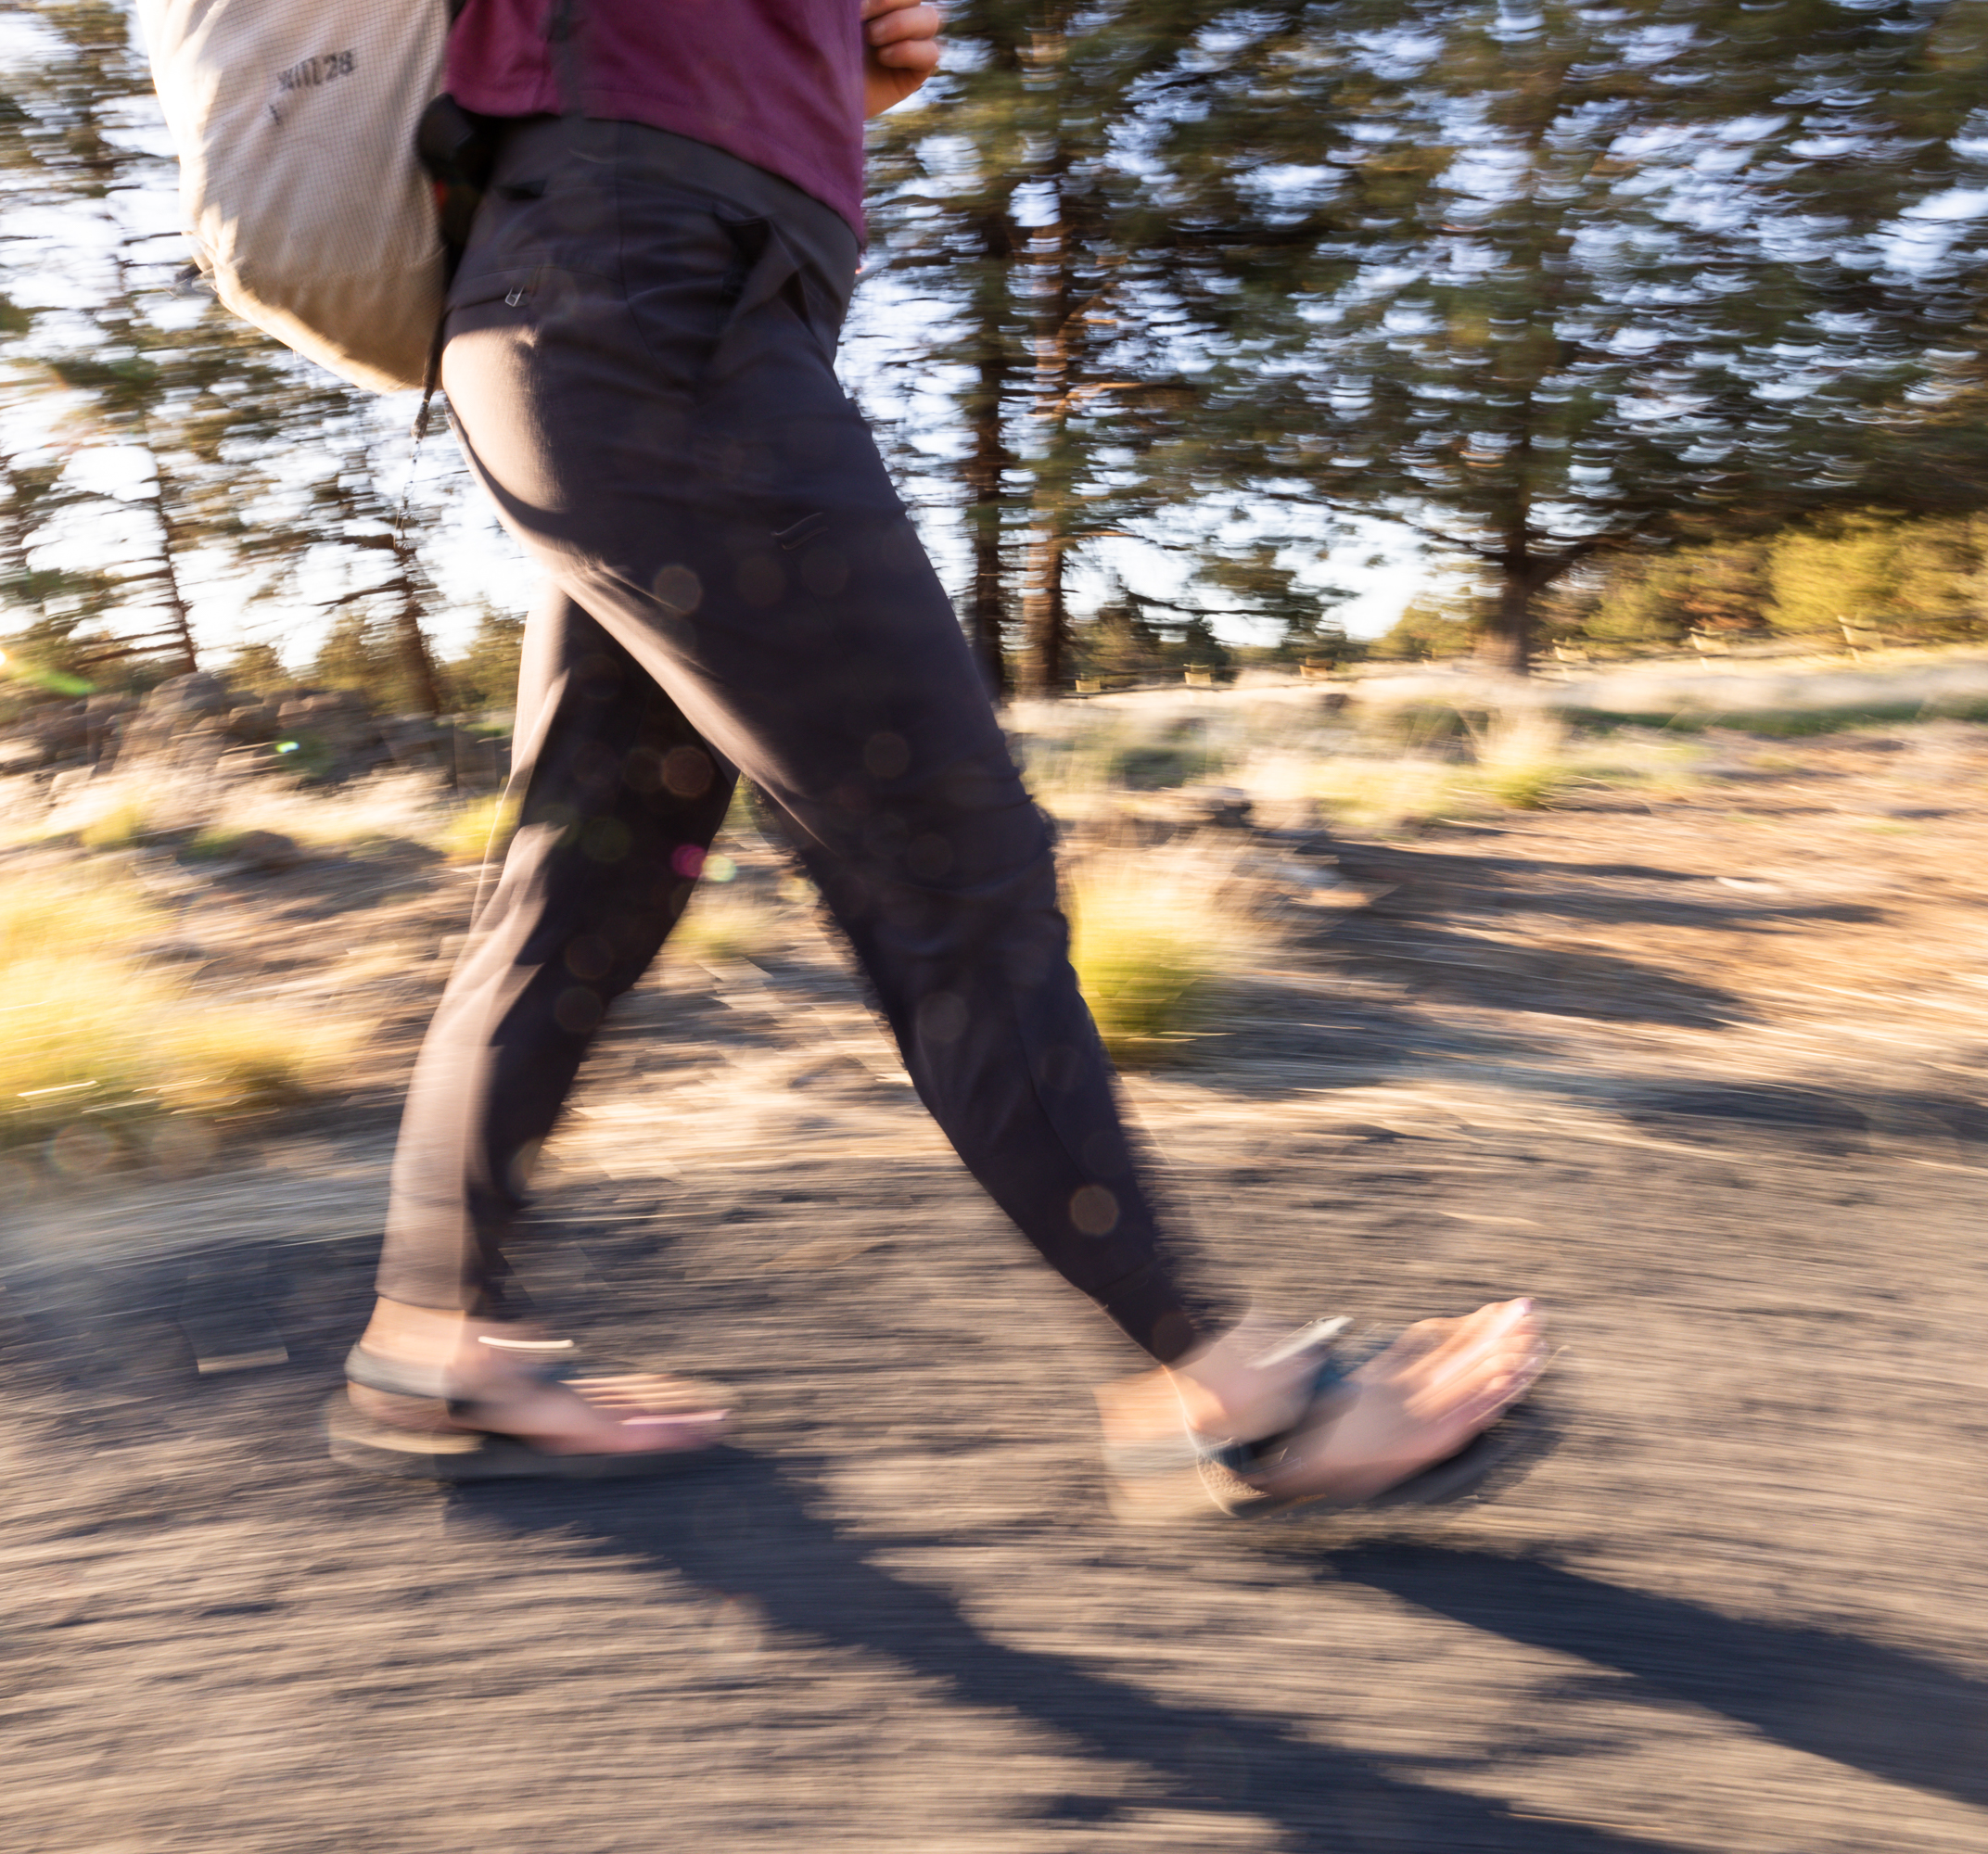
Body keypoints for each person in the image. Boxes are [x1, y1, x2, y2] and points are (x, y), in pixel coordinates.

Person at [324, 0, 1545, 1509]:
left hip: (655, 301)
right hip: (636, 291)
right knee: (951, 860)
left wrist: (827, 56)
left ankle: (439, 1334)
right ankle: (1237, 1392)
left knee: (595, 868)